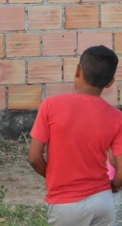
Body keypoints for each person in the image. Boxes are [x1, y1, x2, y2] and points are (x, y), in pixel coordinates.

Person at [29, 46, 122, 226]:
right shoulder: (117, 117)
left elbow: (34, 157)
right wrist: (112, 185)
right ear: (110, 82)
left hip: (65, 204)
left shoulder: (51, 105)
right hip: (103, 201)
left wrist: (53, 177)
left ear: (78, 70)